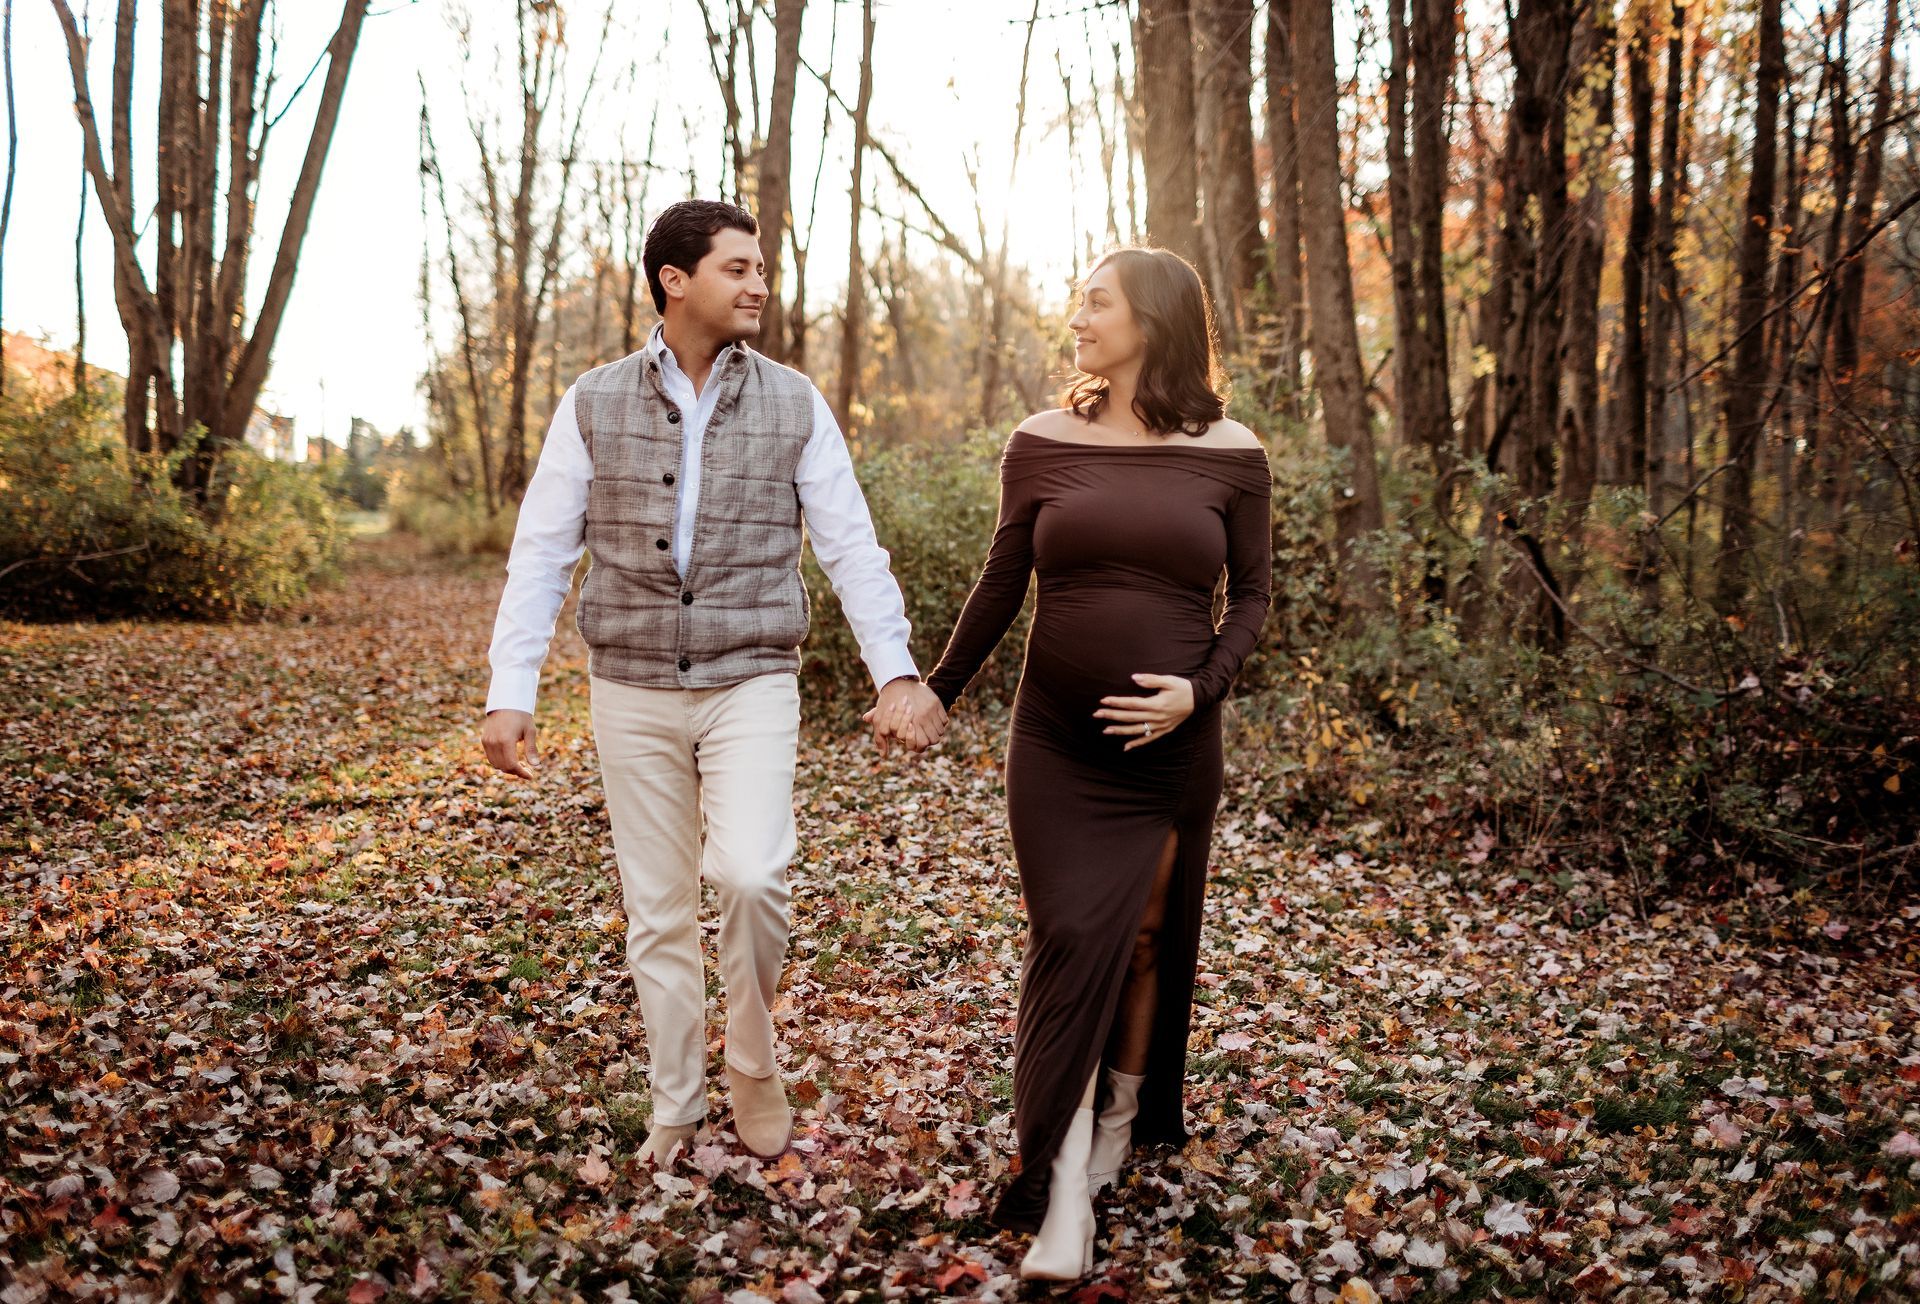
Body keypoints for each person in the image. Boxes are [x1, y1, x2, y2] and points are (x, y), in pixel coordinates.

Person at [480, 199, 945, 1166]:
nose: (759, 284)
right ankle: (677, 1101)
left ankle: (755, 1052)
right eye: (738, 267)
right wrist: (509, 686)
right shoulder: (593, 402)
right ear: (674, 281)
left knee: (749, 873)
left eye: (761, 266)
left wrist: (896, 671)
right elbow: (541, 551)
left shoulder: (795, 403)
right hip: (633, 683)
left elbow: (852, 547)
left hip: (753, 678)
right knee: (656, 909)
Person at [909, 246, 1272, 1279]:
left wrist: (1198, 691)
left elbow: (1250, 598)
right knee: (1070, 934)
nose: (1076, 319)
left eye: (1095, 303)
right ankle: (1061, 1177)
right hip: (1057, 741)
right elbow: (999, 580)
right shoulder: (1040, 440)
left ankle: (1117, 1119)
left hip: (1171, 747)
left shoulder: (1232, 451)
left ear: (1153, 317)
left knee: (1151, 939)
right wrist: (938, 687)